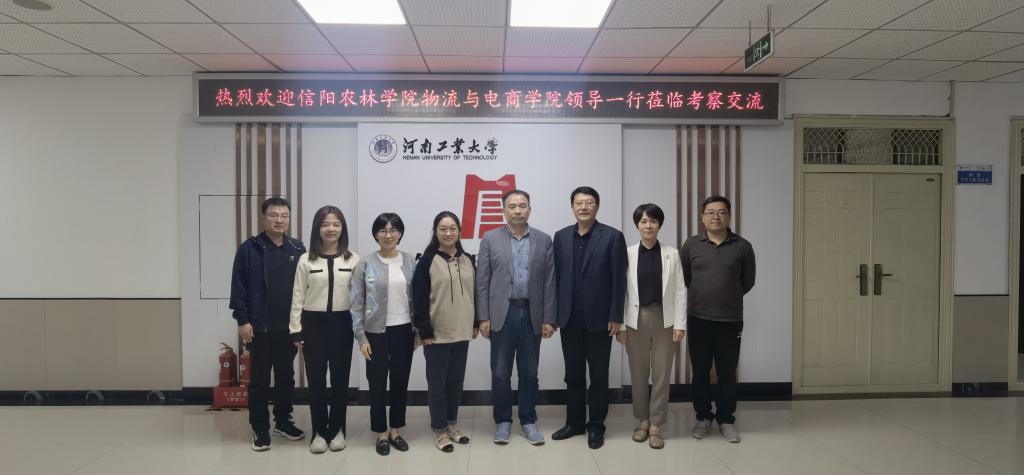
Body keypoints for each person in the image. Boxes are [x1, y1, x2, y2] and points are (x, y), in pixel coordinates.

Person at [476, 190, 556, 446]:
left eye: (522, 206)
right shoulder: (490, 239)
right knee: (500, 372)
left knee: (529, 372)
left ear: (530, 210)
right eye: (512, 206)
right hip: (502, 313)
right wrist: (483, 317)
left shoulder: (544, 240)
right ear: (504, 210)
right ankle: (502, 421)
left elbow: (550, 282)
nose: (518, 210)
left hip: (533, 313)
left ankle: (528, 420)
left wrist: (549, 318)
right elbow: (482, 281)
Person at [551, 186, 627, 450]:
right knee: (572, 375)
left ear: (597, 206)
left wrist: (616, 315)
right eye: (579, 203)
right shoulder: (561, 237)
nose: (583, 207)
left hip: (600, 319)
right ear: (572, 207)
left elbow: (619, 280)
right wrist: (554, 314)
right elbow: (556, 278)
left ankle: (596, 426)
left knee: (599, 376)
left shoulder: (612, 236)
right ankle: (574, 423)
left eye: (589, 202)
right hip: (569, 318)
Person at [229, 197, 306, 451]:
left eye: (284, 216)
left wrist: (302, 324)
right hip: (259, 327)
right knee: (260, 379)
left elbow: (306, 288)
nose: (279, 220)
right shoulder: (249, 248)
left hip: (289, 328)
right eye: (274, 215)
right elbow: (238, 286)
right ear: (263, 218)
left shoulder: (298, 249)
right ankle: (259, 428)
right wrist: (242, 320)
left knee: (286, 378)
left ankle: (282, 422)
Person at [681, 195, 756, 444]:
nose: (716, 216)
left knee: (727, 371)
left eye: (722, 212)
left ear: (729, 216)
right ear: (702, 217)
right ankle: (703, 417)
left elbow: (747, 281)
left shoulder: (742, 246)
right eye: (710, 212)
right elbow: (685, 280)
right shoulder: (691, 245)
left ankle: (726, 419)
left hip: (730, 320)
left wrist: (726, 296)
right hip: (698, 318)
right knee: (700, 371)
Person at [289, 205, 360, 454]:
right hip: (313, 325)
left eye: (336, 224)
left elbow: (360, 297)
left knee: (340, 379)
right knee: (316, 380)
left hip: (343, 324)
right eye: (325, 224)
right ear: (317, 228)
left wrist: (361, 328)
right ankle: (319, 432)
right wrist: (296, 329)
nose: (331, 229)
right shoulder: (306, 260)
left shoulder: (353, 259)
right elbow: (297, 296)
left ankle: (338, 429)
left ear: (343, 228)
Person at [617, 203, 686, 450]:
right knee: (638, 373)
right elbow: (621, 291)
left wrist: (680, 324)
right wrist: (621, 325)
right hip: (635, 319)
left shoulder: (671, 253)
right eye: (644, 221)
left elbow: (680, 290)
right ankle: (642, 421)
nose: (648, 226)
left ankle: (657, 424)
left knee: (661, 374)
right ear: (637, 225)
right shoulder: (627, 253)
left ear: (659, 225)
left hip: (665, 319)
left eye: (653, 221)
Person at [412, 211, 478, 453]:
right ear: (436, 232)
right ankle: (439, 430)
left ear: (459, 231)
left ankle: (451, 424)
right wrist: (424, 330)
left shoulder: (468, 259)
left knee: (455, 383)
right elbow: (419, 299)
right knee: (437, 385)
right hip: (436, 334)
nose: (448, 233)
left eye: (452, 228)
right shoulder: (427, 260)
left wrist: (475, 322)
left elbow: (475, 294)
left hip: (462, 332)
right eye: (443, 229)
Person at [350, 213, 416, 456]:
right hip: (375, 333)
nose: (389, 235)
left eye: (394, 230)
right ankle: (380, 432)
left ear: (400, 233)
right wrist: (361, 337)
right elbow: (356, 302)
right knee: (377, 383)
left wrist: (418, 331)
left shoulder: (409, 261)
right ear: (376, 234)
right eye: (383, 230)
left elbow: (417, 298)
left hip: (404, 330)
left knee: (400, 381)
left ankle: (395, 430)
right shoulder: (365, 263)